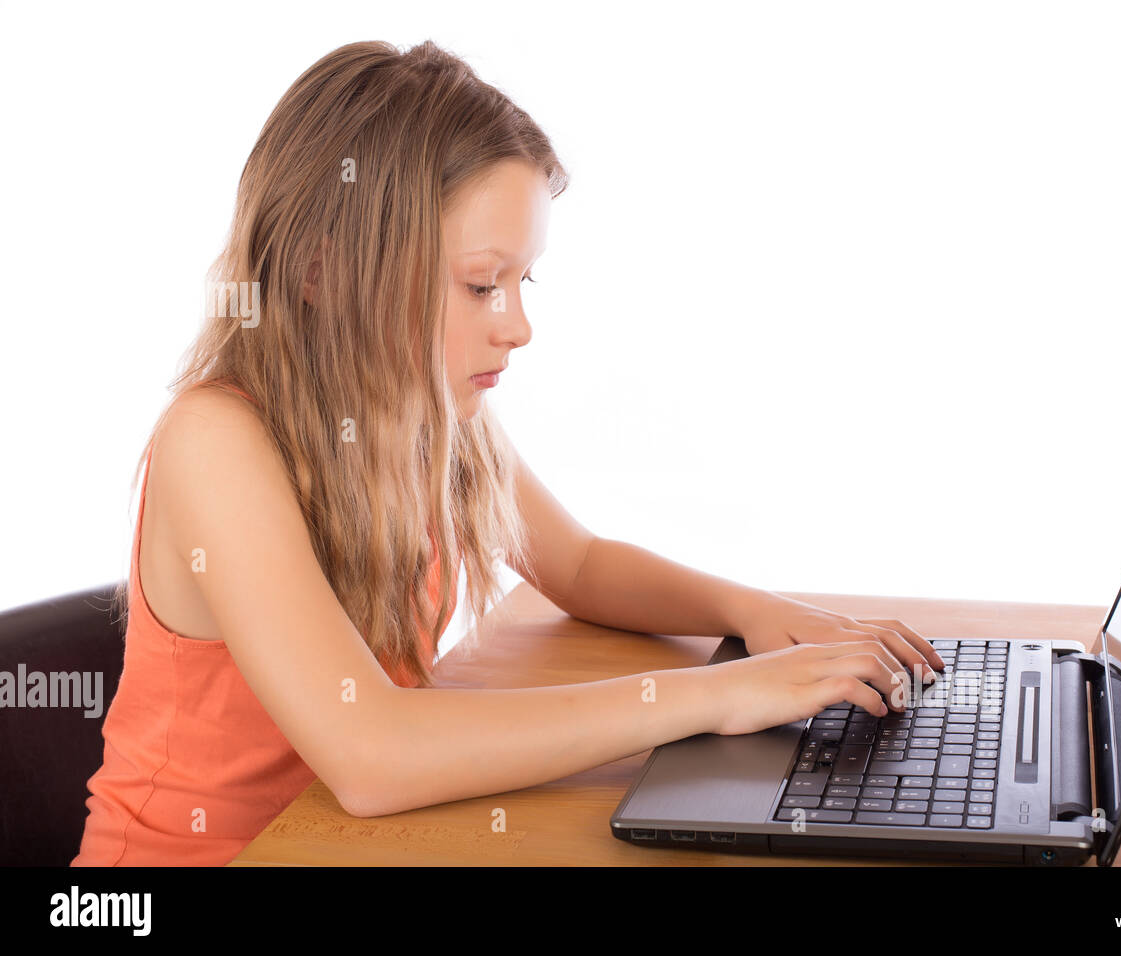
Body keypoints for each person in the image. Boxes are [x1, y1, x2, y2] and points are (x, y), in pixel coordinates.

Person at [72, 39, 942, 866]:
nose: (518, 326)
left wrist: (753, 617)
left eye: (524, 283)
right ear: (324, 271)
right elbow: (370, 754)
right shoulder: (215, 441)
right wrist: (716, 696)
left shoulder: (430, 408)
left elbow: (580, 564)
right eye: (482, 284)